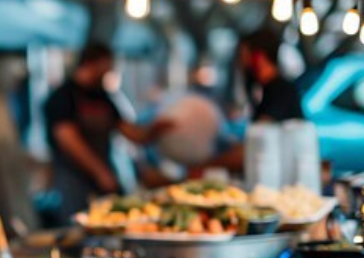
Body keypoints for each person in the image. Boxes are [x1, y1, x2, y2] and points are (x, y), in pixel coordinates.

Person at [44, 43, 171, 223]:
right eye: (108, 64)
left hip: (104, 177)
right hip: (73, 179)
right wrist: (100, 172)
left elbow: (130, 133)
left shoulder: (103, 97)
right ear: (93, 63)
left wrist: (155, 130)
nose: (111, 69)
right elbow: (68, 139)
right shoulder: (62, 97)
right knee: (77, 229)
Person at [191, 28, 304, 175]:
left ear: (258, 56)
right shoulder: (265, 91)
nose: (241, 63)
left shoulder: (281, 91)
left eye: (244, 55)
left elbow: (256, 143)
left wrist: (204, 166)